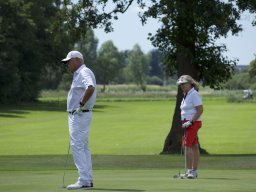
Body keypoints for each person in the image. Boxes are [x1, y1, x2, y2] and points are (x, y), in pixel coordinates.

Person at [61, 50, 96, 190]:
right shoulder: (79, 73)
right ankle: (87, 179)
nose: (67, 64)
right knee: (83, 147)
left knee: (77, 146)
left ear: (76, 60)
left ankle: (84, 180)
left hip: (80, 114)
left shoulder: (84, 72)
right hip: (79, 114)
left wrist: (81, 105)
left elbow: (90, 88)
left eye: (69, 61)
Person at [177, 75, 203, 179]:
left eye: (184, 84)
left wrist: (191, 122)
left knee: (187, 146)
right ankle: (194, 171)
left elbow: (200, 109)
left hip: (192, 123)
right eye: (180, 85)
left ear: (190, 84)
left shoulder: (194, 94)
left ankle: (190, 171)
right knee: (194, 146)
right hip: (187, 122)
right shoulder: (186, 94)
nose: (182, 86)